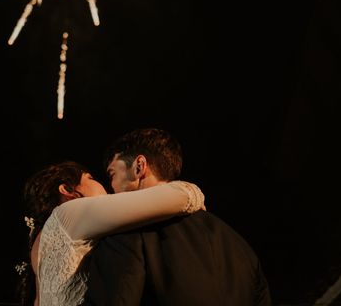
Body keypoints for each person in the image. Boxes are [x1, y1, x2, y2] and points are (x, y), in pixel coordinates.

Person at [81, 128, 272, 306]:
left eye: (112, 174)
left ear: (139, 167)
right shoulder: (240, 245)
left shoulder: (126, 231)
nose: (111, 188)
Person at [19, 160, 206, 306]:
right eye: (90, 178)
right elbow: (183, 195)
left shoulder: (40, 239)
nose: (105, 185)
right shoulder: (70, 213)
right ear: (68, 190)